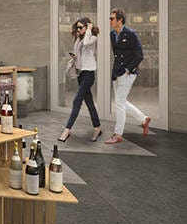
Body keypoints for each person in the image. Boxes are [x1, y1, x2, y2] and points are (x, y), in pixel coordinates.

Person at [107, 8, 151, 144]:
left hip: (128, 73)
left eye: (112, 18)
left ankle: (118, 134)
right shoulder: (112, 34)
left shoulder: (131, 34)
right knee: (121, 101)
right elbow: (117, 55)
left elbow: (139, 55)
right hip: (117, 72)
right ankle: (143, 119)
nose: (110, 20)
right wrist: (116, 71)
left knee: (119, 103)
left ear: (120, 20)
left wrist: (128, 69)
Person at [58, 17, 102, 142]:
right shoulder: (79, 39)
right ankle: (97, 127)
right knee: (89, 102)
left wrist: (89, 29)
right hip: (80, 74)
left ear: (87, 27)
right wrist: (75, 57)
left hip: (89, 74)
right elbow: (79, 53)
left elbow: (87, 43)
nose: (78, 30)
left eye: (81, 27)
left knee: (77, 101)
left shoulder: (93, 38)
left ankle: (67, 130)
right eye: (77, 27)